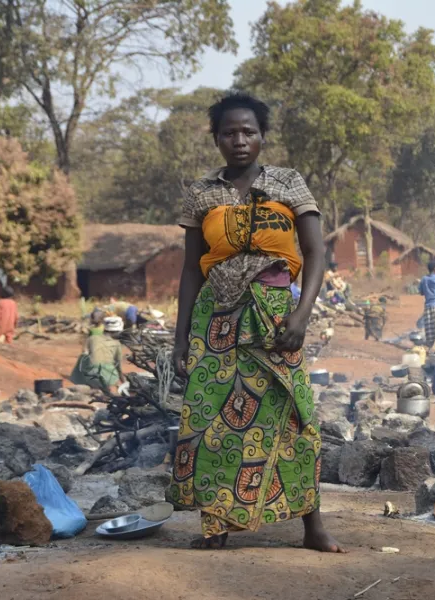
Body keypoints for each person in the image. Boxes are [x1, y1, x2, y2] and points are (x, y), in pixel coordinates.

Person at [167, 93, 342, 552]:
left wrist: (302, 314)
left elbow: (316, 253)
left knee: (295, 414)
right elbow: (190, 269)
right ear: (217, 138)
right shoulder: (202, 194)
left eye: (248, 132)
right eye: (229, 132)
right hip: (215, 320)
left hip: (275, 317)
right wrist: (180, 335)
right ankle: (217, 524)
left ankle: (313, 527)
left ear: (262, 136)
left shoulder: (288, 183)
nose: (239, 140)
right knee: (210, 421)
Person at [70, 310, 125, 391]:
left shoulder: (91, 338)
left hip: (91, 378)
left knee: (83, 357)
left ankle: (81, 382)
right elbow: (118, 367)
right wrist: (124, 382)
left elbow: (84, 352)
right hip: (110, 379)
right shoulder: (117, 343)